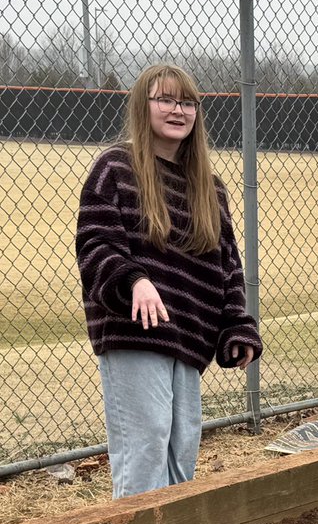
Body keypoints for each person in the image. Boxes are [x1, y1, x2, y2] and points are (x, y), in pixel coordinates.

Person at [76, 63, 263, 499]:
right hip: (135, 329)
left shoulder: (210, 187)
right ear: (144, 106)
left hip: (190, 335)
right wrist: (133, 280)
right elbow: (95, 242)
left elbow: (228, 266)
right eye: (165, 99)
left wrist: (237, 324)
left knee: (182, 446)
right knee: (145, 444)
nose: (177, 110)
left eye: (187, 102)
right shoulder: (115, 168)